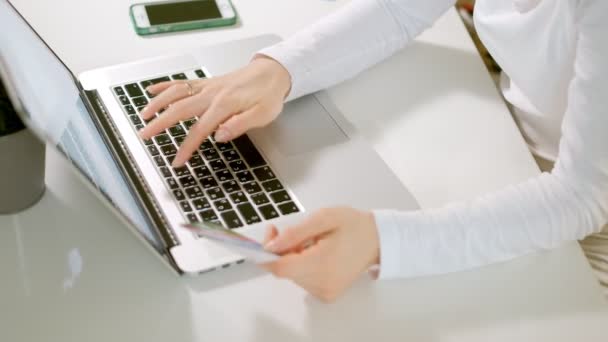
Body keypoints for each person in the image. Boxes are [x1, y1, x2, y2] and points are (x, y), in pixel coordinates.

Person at [139, 0, 608, 302]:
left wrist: (385, 242)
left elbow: (581, 195)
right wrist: (277, 70)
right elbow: (400, 11)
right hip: (520, 142)